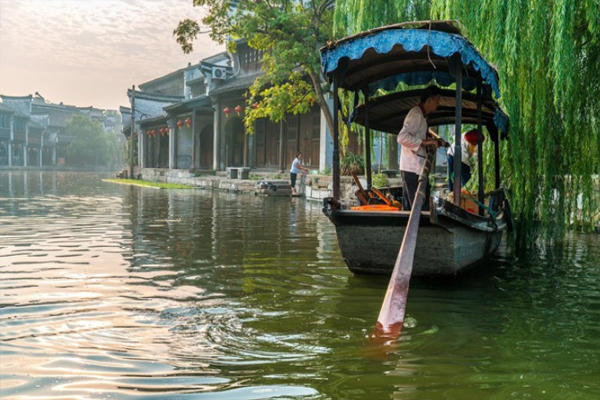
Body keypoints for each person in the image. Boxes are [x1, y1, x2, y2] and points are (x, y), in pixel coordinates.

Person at [397, 86, 443, 211]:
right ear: (429, 100)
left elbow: (421, 136)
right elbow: (402, 138)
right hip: (411, 168)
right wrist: (424, 142)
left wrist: (435, 141)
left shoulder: (423, 116)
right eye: (437, 99)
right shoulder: (416, 114)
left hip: (417, 168)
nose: (438, 103)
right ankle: (419, 230)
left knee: (412, 207)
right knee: (417, 207)